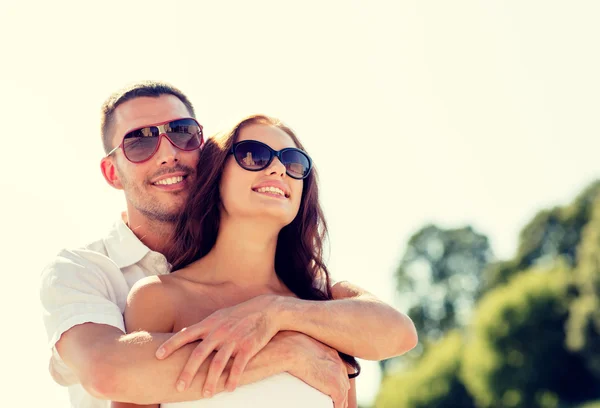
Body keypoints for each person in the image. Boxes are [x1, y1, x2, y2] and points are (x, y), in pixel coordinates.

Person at [40, 82, 418, 408]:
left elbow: (399, 333)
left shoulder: (321, 306)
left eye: (182, 132)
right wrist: (283, 350)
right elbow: (108, 371)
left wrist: (276, 312)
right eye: (139, 141)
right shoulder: (97, 276)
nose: (168, 152)